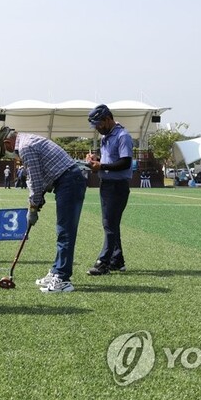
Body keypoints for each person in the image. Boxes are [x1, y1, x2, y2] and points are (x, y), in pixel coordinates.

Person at [0, 126, 87, 293]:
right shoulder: (27, 141)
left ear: (7, 143)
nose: (8, 154)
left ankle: (63, 279)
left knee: (65, 230)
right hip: (66, 180)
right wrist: (35, 203)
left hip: (69, 181)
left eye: (5, 150)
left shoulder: (25, 147)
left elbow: (35, 181)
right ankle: (57, 270)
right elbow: (36, 178)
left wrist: (34, 207)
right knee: (63, 230)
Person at [83, 104, 134, 276]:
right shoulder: (107, 136)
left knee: (109, 224)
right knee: (111, 224)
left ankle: (103, 263)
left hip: (117, 186)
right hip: (107, 184)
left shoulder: (122, 136)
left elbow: (125, 162)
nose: (97, 128)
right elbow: (110, 158)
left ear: (107, 119)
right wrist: (96, 159)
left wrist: (101, 165)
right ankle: (117, 260)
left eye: (99, 124)